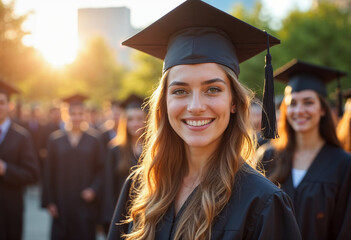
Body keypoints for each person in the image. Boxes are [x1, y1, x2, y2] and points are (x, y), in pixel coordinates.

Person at [107, 1, 301, 239]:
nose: (196, 106)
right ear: (164, 103)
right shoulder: (139, 187)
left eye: (212, 89)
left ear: (234, 102)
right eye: (180, 91)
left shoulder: (263, 203)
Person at [256, 59, 351, 239]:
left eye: (308, 102)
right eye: (292, 103)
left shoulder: (343, 165)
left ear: (323, 109)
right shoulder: (268, 157)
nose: (299, 110)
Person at [42, 94, 104, 240]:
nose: (76, 117)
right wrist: (50, 201)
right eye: (72, 114)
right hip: (61, 202)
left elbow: (102, 169)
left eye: (80, 114)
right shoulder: (55, 139)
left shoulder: (95, 139)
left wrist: (93, 189)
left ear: (85, 115)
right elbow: (48, 172)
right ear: (66, 115)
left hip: (85, 202)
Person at [0, 80, 39, 240]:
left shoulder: (21, 137)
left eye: (1, 102)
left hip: (10, 208)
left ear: (10, 106)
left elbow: (32, 174)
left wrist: (6, 169)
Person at [102, 94, 146, 234]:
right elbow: (109, 186)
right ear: (124, 122)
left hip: (149, 212)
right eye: (130, 119)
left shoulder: (156, 149)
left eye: (140, 119)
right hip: (122, 214)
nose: (135, 123)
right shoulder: (115, 150)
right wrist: (109, 218)